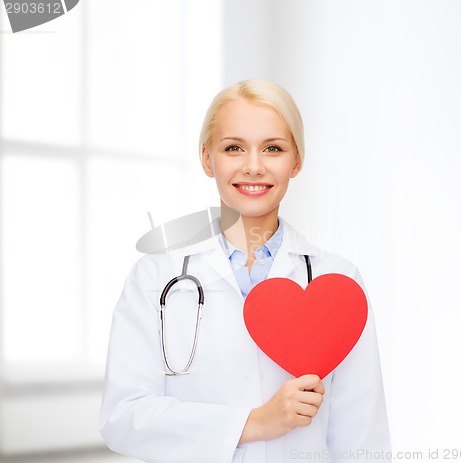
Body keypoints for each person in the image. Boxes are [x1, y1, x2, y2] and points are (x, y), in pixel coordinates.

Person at [99, 79, 391, 463]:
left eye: (273, 148)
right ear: (207, 159)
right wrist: (253, 423)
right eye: (233, 148)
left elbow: (362, 439)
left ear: (296, 161)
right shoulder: (155, 277)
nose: (253, 167)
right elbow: (123, 417)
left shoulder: (337, 281)